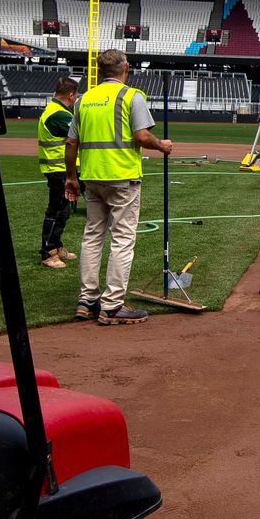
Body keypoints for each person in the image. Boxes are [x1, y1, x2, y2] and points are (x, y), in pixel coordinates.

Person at [64, 49, 174, 326]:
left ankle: (87, 299)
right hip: (122, 177)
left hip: (92, 176)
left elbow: (71, 143)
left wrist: (70, 177)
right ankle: (112, 305)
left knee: (92, 236)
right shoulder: (131, 95)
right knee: (122, 238)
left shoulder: (84, 100)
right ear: (125, 67)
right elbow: (141, 135)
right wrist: (162, 145)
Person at [37, 75, 81, 269]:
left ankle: (56, 245)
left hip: (60, 169)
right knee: (56, 210)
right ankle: (48, 252)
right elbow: (80, 135)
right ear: (71, 96)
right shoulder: (58, 114)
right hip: (58, 170)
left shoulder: (56, 111)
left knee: (63, 210)